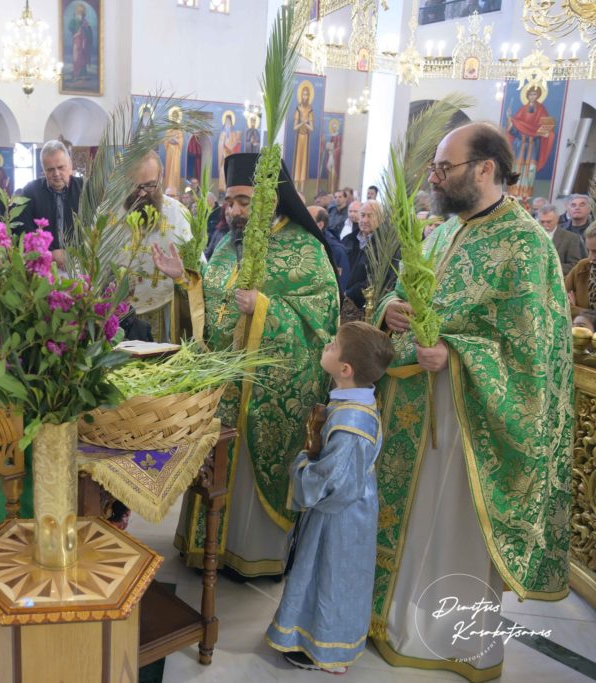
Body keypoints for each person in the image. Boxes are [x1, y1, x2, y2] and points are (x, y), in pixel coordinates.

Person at [373, 122, 572, 680]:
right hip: (414, 408)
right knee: (411, 522)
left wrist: (457, 355)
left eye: (445, 167)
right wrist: (390, 309)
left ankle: (449, 639)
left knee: (451, 527)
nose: (435, 178)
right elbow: (410, 294)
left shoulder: (526, 244)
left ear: (485, 169)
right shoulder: (441, 232)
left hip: (470, 418)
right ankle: (394, 620)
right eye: (435, 168)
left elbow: (534, 352)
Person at [153, 152, 339, 578]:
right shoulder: (227, 246)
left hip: (267, 388)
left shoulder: (306, 249)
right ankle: (204, 547)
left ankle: (253, 555)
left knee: (250, 477)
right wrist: (184, 278)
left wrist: (265, 309)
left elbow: (323, 319)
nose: (233, 210)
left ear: (271, 198)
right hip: (223, 386)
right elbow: (213, 303)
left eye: (243, 201)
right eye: (229, 200)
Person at [267, 321, 394, 674]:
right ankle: (308, 636)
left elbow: (334, 481)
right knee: (320, 573)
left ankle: (328, 650)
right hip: (344, 512)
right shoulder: (353, 400)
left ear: (345, 369)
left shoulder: (352, 422)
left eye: (334, 345)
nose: (327, 345)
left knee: (332, 577)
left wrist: (301, 467)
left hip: (340, 518)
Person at [123, 151, 192, 342]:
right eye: (135, 186)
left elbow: (195, 270)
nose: (142, 193)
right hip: (119, 314)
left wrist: (182, 275)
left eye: (149, 185)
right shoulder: (108, 213)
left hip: (165, 308)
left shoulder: (179, 213)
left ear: (160, 178)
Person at [19, 140, 83, 268]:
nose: (56, 174)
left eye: (61, 167)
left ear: (70, 166)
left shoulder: (85, 189)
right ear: (43, 171)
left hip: (80, 262)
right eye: (50, 169)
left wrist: (74, 254)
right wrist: (49, 254)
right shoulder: (30, 192)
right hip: (43, 264)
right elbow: (23, 230)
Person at [308, 204, 349, 290]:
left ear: (320, 225)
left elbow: (339, 287)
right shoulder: (302, 242)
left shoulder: (336, 250)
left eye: (307, 218)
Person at [564, 222, 596, 328]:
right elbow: (559, 301)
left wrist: (577, 310)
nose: (591, 257)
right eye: (589, 251)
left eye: (595, 251)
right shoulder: (583, 267)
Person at [536, 204, 584, 274]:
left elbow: (575, 265)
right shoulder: (532, 236)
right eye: (542, 222)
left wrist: (550, 268)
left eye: (549, 222)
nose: (545, 225)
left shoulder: (571, 238)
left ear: (557, 219)